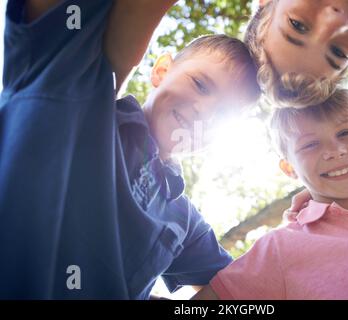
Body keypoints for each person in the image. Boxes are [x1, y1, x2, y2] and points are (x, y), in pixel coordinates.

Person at [0, 0, 260, 299]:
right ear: (162, 70)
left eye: (224, 114)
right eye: (200, 84)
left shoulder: (184, 221)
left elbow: (241, 287)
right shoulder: (75, 94)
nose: (205, 112)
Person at [192, 89, 348, 299]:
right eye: (310, 144)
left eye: (346, 133)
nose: (335, 150)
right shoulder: (279, 248)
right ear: (288, 168)